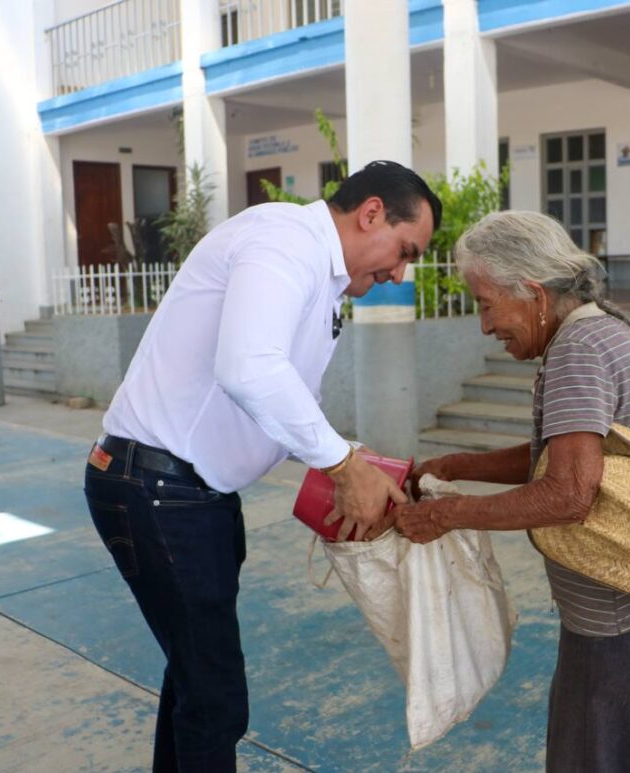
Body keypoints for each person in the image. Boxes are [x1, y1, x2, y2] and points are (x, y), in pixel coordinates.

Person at [83, 160, 441, 772]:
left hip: (190, 495)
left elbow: (288, 391)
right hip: (158, 490)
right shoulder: (284, 240)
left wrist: (355, 463)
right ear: (372, 212)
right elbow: (249, 367)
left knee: (196, 681)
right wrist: (341, 465)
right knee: (215, 698)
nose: (399, 273)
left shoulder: (319, 276)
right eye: (404, 251)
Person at [392, 211, 630, 772]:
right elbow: (560, 457)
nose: (486, 326)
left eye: (487, 304)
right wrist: (459, 464)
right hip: (628, 602)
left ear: (534, 294)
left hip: (614, 611)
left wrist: (448, 515)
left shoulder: (578, 350)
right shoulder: (595, 329)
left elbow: (568, 493)